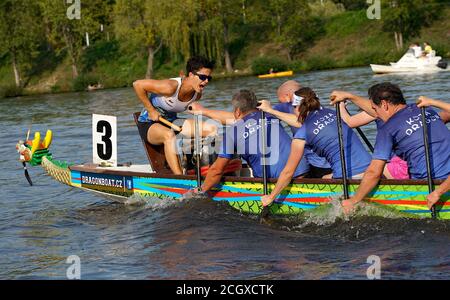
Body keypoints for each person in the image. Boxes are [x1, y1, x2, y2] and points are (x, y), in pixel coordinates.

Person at [340, 82, 450, 214]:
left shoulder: (388, 128)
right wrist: (433, 102)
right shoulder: (426, 110)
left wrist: (354, 200)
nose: (376, 114)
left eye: (375, 109)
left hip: (428, 187)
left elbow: (374, 173)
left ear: (384, 105)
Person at [261, 87, 372, 207]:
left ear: (298, 108)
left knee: (323, 189)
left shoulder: (301, 134)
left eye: (293, 107)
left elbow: (288, 172)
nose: (293, 111)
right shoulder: (332, 112)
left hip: (347, 177)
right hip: (371, 169)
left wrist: (271, 197)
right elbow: (302, 122)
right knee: (325, 178)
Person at [186, 90, 311, 195]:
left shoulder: (232, 133)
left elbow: (217, 170)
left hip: (276, 183)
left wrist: (201, 190)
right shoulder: (270, 113)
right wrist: (203, 111)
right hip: (304, 172)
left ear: (237, 111)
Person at [134, 56, 217, 175]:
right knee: (169, 135)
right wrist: (151, 110)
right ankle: (179, 178)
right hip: (148, 123)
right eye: (203, 77)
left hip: (171, 122)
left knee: (211, 128)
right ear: (191, 74)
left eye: (209, 78)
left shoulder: (197, 95)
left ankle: (201, 168)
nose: (206, 81)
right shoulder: (170, 87)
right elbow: (138, 85)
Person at [257, 80, 332, 178]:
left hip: (318, 165)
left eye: (280, 100)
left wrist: (268, 108)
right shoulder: (316, 104)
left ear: (287, 96)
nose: (281, 103)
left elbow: (301, 122)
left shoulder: (288, 105)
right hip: (331, 160)